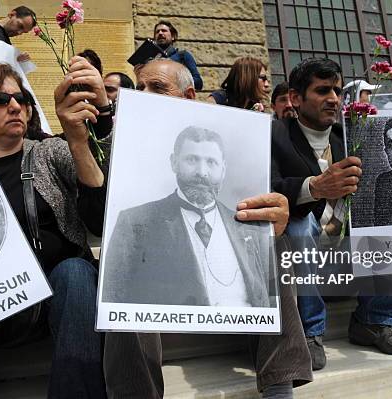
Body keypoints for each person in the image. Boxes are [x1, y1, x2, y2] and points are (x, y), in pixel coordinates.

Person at [103, 59, 312, 399]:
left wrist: (278, 212)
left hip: (236, 303)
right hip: (159, 299)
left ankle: (279, 385)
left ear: (188, 95)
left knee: (276, 241)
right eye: (138, 88)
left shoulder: (244, 143)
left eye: (156, 88)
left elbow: (273, 192)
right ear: (175, 163)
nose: (142, 95)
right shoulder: (122, 160)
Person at [0, 59, 112, 398]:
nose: (14, 106)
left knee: (76, 271)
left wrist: (86, 135)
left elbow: (104, 207)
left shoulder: (49, 152)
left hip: (53, 295)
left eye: (20, 99)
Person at [271, 58, 392, 372]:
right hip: (299, 256)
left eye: (337, 90)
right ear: (295, 99)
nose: (334, 99)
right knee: (298, 226)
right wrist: (314, 187)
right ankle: (309, 332)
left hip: (349, 253)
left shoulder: (354, 136)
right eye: (322, 90)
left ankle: (376, 321)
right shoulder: (273, 134)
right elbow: (265, 187)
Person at [102, 126, 271, 307]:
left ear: (223, 169)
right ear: (174, 162)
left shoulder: (246, 225)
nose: (202, 172)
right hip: (173, 334)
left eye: (211, 162)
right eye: (192, 160)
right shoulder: (135, 221)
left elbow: (265, 297)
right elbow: (113, 299)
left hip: (243, 332)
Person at [153, 20, 202, 90]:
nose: (160, 33)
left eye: (164, 31)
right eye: (157, 32)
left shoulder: (183, 56)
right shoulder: (151, 60)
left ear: (173, 36)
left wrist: (174, 79)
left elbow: (198, 83)